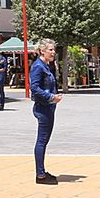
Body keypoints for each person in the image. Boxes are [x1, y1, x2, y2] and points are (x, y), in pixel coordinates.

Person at [30, 40, 63, 184]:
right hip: (43, 107)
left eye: (54, 49)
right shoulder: (38, 66)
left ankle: (42, 172)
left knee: (44, 141)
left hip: (49, 107)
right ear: (42, 51)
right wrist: (50, 97)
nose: (53, 52)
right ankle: (40, 175)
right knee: (42, 141)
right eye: (50, 49)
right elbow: (34, 88)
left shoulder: (47, 66)